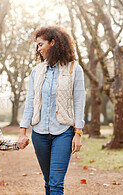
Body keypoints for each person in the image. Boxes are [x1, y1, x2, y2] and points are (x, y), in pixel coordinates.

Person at [18, 26, 86, 195]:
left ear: (53, 43)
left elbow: (79, 102)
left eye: (41, 44)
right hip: (39, 133)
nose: (38, 49)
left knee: (56, 183)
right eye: (37, 46)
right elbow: (30, 102)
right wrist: (22, 131)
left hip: (63, 132)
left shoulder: (74, 69)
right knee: (48, 182)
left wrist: (78, 133)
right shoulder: (37, 71)